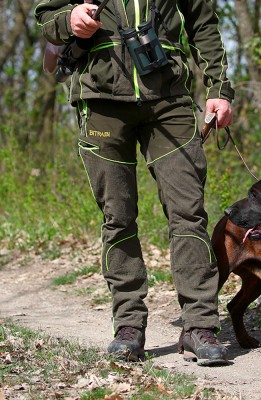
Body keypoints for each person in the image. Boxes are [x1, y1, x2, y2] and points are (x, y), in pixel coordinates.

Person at [34, 0, 234, 366]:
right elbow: (46, 19)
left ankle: (200, 326)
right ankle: (128, 326)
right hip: (101, 101)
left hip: (170, 101)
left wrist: (219, 88)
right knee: (118, 216)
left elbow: (203, 22)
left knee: (188, 212)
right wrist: (70, 20)